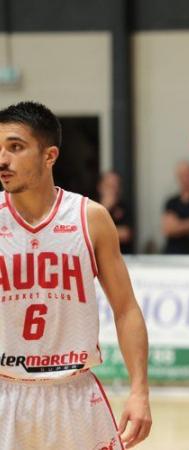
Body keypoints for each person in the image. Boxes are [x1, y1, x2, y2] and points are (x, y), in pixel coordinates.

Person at [0, 101, 151, 449]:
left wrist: (139, 391)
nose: (3, 160)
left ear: (49, 155)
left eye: (15, 147)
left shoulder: (91, 218)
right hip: (6, 390)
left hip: (73, 393)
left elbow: (126, 308)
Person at [97, 170, 134, 254]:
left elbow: (125, 234)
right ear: (100, 187)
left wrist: (100, 233)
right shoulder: (92, 206)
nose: (112, 190)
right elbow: (89, 233)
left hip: (122, 255)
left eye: (115, 186)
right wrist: (105, 207)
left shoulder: (125, 207)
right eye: (108, 186)